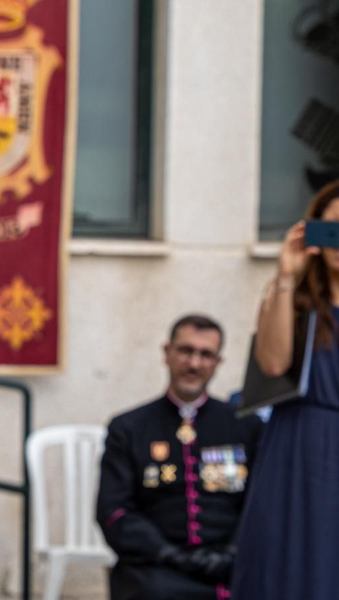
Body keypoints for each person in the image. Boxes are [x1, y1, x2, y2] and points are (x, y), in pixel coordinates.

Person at [96, 314, 261, 599]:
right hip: (155, 569)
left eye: (206, 354)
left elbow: (260, 505)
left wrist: (233, 553)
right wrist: (168, 554)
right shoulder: (128, 428)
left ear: (218, 362)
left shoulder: (246, 426)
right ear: (167, 353)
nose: (194, 364)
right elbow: (114, 512)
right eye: (185, 351)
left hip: (230, 569)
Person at [231, 178, 339, 598]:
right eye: (331, 229)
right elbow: (273, 363)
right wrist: (285, 276)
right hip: (299, 445)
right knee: (288, 562)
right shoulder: (293, 299)